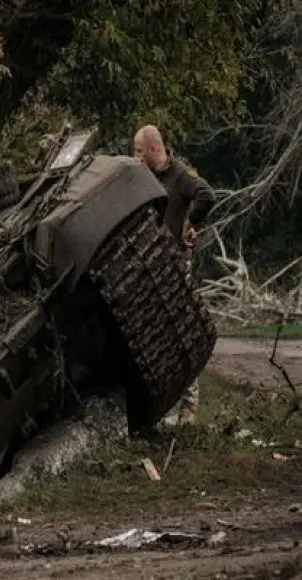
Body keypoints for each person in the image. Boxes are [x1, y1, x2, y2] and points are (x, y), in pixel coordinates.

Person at [133, 124, 217, 424]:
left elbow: (207, 194)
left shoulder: (180, 175)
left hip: (176, 263)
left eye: (139, 151)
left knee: (181, 329)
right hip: (153, 264)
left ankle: (189, 409)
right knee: (157, 334)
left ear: (155, 148)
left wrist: (190, 223)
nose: (136, 157)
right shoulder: (145, 177)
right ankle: (168, 402)